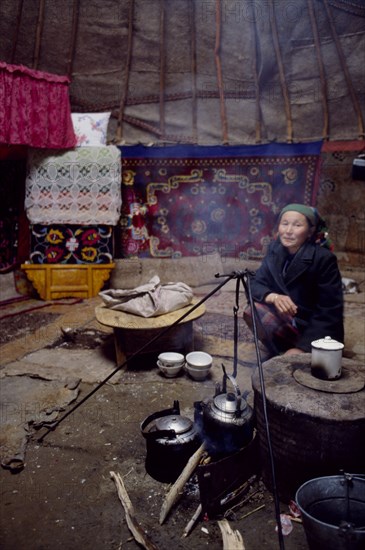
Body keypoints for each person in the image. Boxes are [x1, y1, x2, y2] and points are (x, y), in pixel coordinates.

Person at [244, 203, 344, 357]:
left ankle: (299, 351)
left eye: (297, 225)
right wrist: (273, 297)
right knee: (253, 310)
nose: (289, 231)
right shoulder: (275, 250)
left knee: (295, 362)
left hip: (314, 329)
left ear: (310, 231)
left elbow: (329, 312)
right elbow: (255, 282)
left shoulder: (323, 259)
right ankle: (283, 349)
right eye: (285, 224)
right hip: (290, 321)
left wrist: (303, 348)